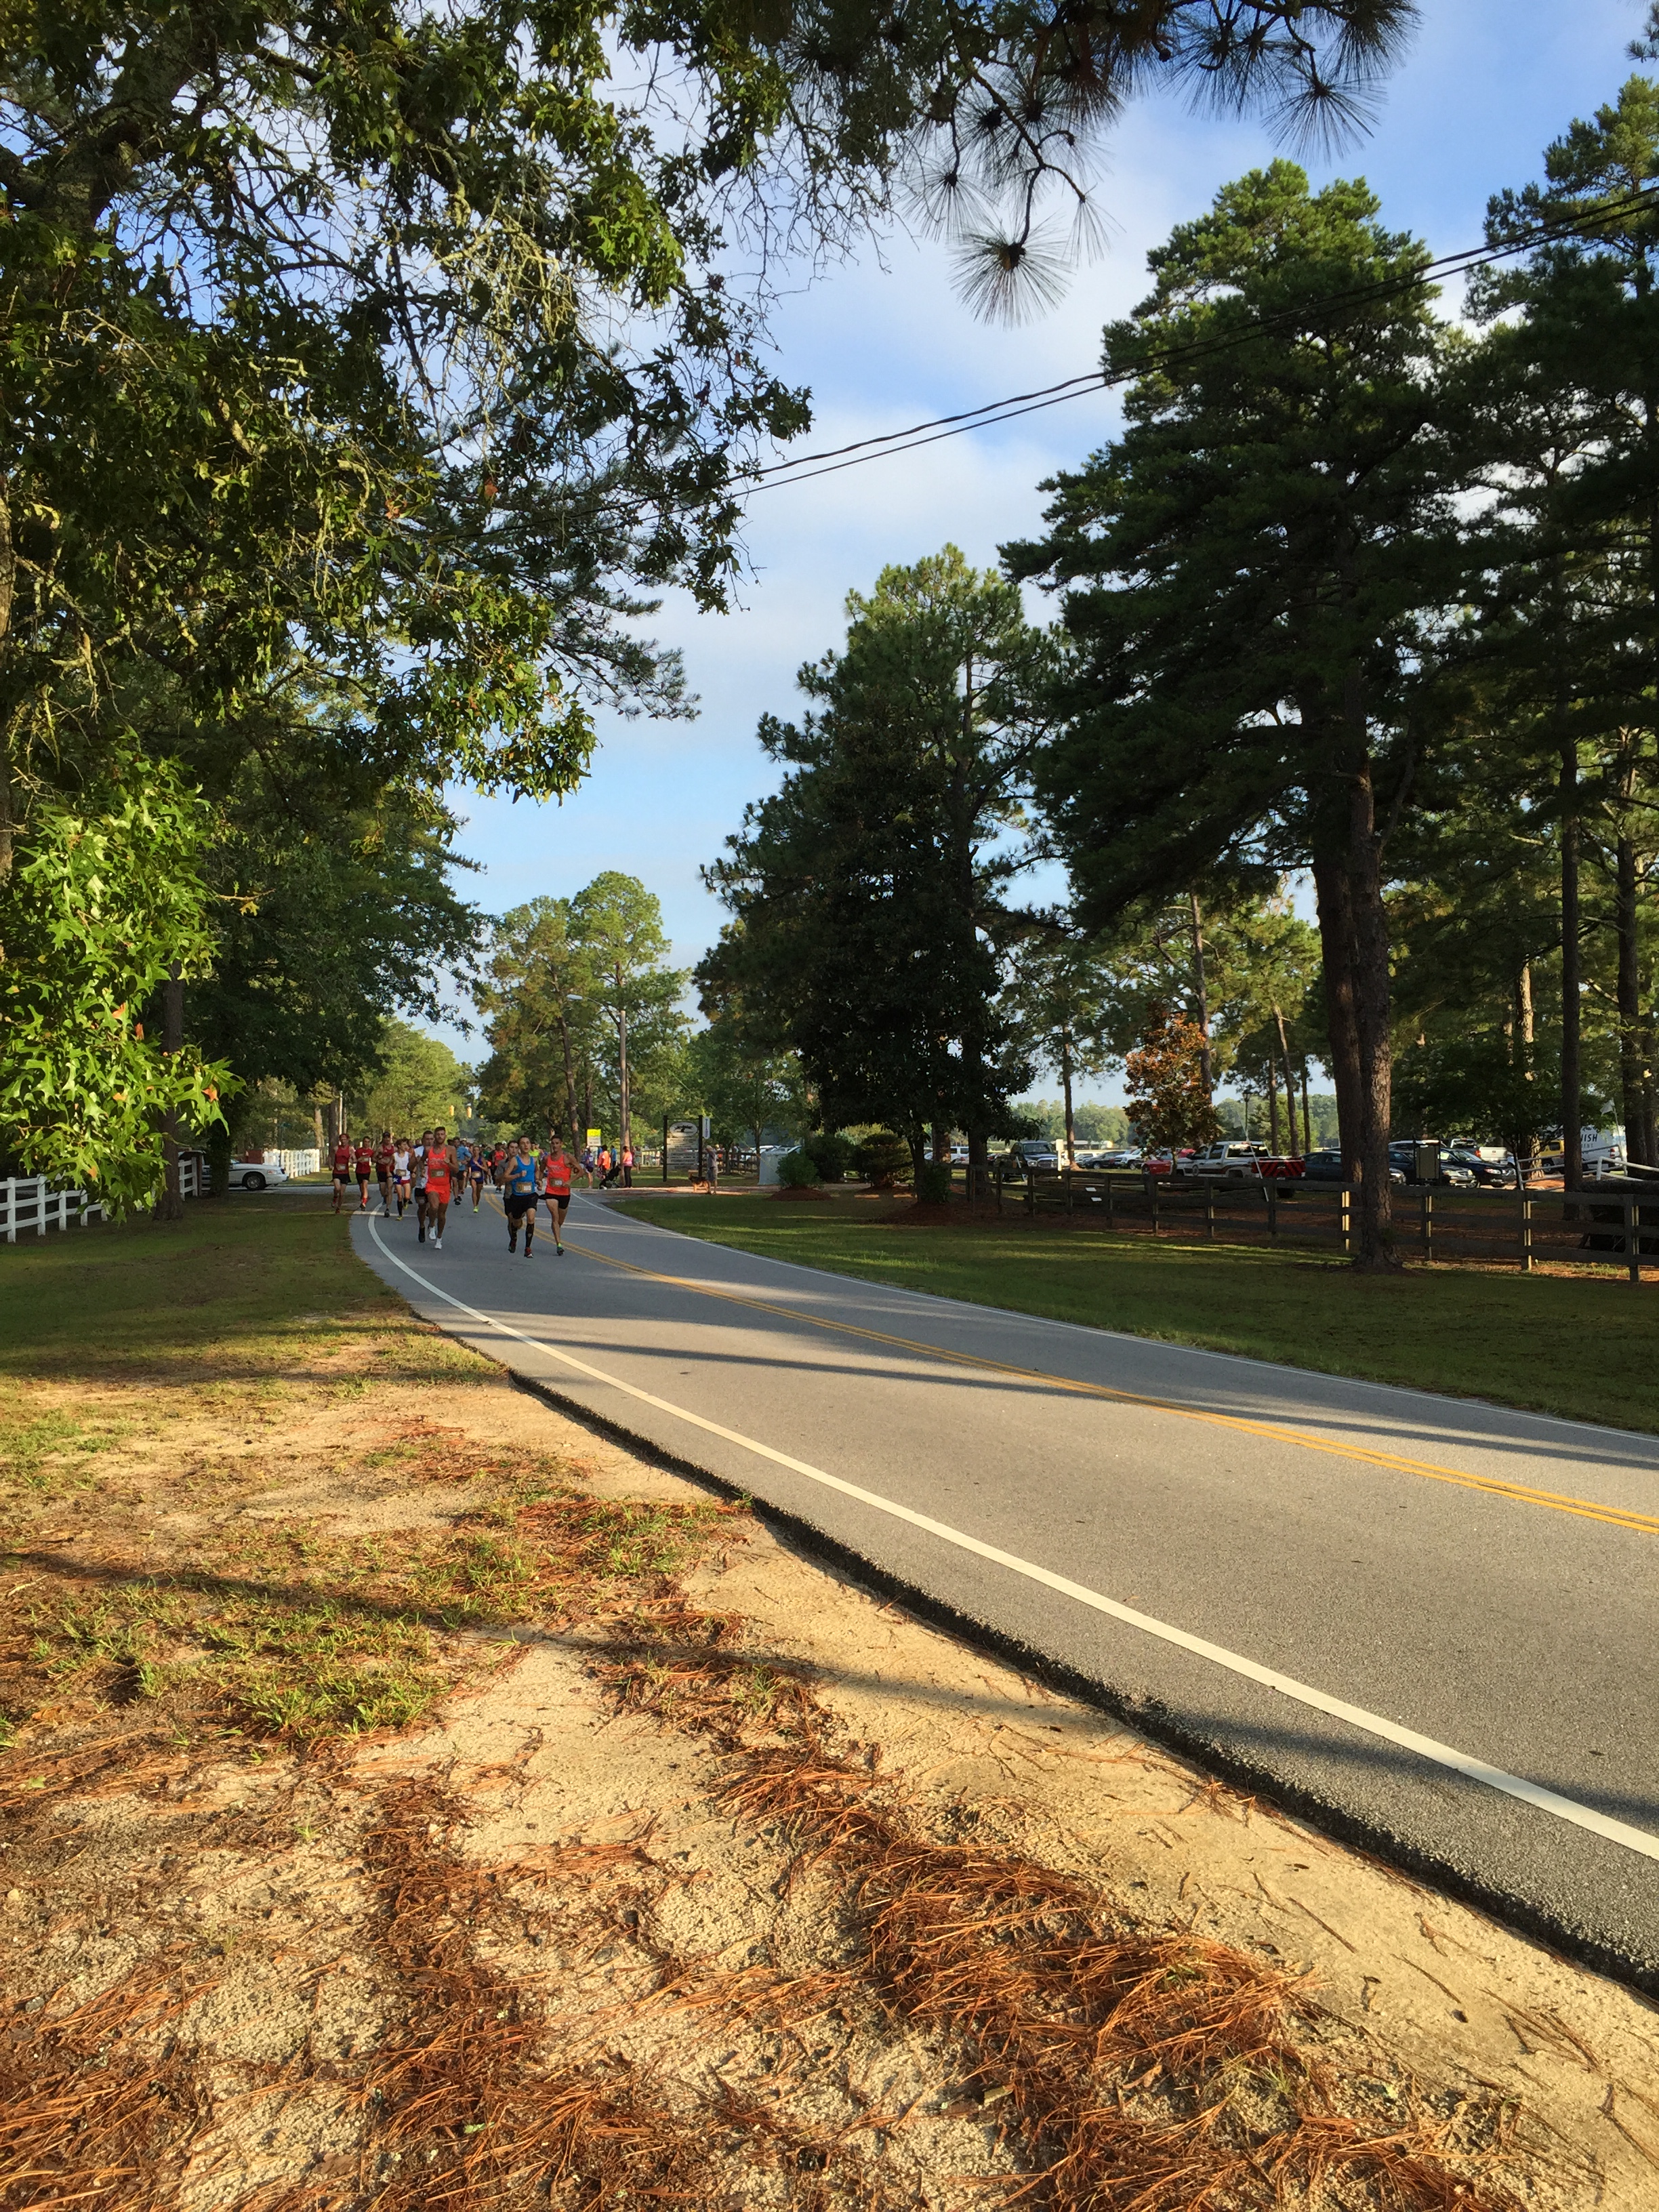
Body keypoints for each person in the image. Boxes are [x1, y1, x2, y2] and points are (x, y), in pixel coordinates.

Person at [502, 1134, 540, 1256]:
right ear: (519, 1147)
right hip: (517, 1196)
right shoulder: (515, 1160)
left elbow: (537, 1171)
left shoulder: (534, 1160)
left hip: (530, 1195)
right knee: (516, 1223)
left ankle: (528, 1248)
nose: (526, 1145)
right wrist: (518, 1175)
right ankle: (514, 1239)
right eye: (523, 1143)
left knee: (531, 1218)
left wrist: (538, 1180)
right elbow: (505, 1177)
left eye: (528, 1143)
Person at [542, 1136, 573, 1256]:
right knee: (555, 1217)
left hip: (564, 1193)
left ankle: (556, 1229)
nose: (554, 1146)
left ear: (561, 1144)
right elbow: (541, 1170)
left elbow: (581, 1171)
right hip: (551, 1191)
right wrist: (538, 1180)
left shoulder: (567, 1158)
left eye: (557, 1143)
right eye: (553, 1143)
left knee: (560, 1221)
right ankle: (559, 1245)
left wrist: (570, 1181)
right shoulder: (547, 1158)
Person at [424, 1127, 453, 1250]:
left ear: (445, 1136)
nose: (440, 1136)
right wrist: (420, 1170)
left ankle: (439, 1238)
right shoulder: (428, 1150)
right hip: (432, 1184)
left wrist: (448, 1163)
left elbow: (456, 1169)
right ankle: (431, 1225)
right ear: (435, 1136)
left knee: (441, 1214)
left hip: (445, 1186)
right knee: (434, 1207)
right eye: (438, 1134)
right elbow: (421, 1161)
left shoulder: (450, 1150)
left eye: (442, 1134)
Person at [412, 1129, 431, 1242]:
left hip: (434, 1184)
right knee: (422, 1207)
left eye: (431, 1139)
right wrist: (416, 1162)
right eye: (427, 1139)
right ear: (423, 1140)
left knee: (434, 1207)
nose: (429, 1141)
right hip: (421, 1185)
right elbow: (410, 1167)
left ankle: (432, 1225)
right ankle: (422, 1226)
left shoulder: (438, 1152)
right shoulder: (417, 1151)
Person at [330, 1128, 354, 1214]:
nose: (343, 1141)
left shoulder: (350, 1149)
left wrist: (352, 1160)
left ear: (347, 1140)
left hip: (345, 1173)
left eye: (345, 1139)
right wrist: (330, 1165)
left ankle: (338, 1208)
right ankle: (335, 1197)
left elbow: (355, 1159)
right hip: (337, 1172)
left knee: (342, 1194)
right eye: (342, 1139)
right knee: (337, 1188)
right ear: (340, 1140)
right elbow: (330, 1156)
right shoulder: (336, 1149)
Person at [374, 1130, 395, 1216]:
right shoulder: (380, 1148)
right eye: (385, 1138)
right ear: (383, 1139)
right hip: (382, 1170)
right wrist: (379, 1160)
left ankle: (387, 1209)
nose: (387, 1139)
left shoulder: (394, 1149)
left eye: (388, 1138)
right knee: (383, 1189)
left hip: (391, 1171)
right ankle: (385, 1197)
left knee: (389, 1189)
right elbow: (373, 1159)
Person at [392, 1137, 412, 1217]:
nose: (406, 1146)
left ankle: (406, 1202)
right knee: (400, 1196)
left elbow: (412, 1164)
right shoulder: (394, 1155)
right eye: (404, 1144)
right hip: (397, 1177)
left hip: (406, 1176)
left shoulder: (408, 1155)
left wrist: (413, 1172)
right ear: (399, 1146)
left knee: (407, 1196)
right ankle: (400, 1215)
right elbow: (389, 1164)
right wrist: (389, 1173)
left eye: (406, 1144)